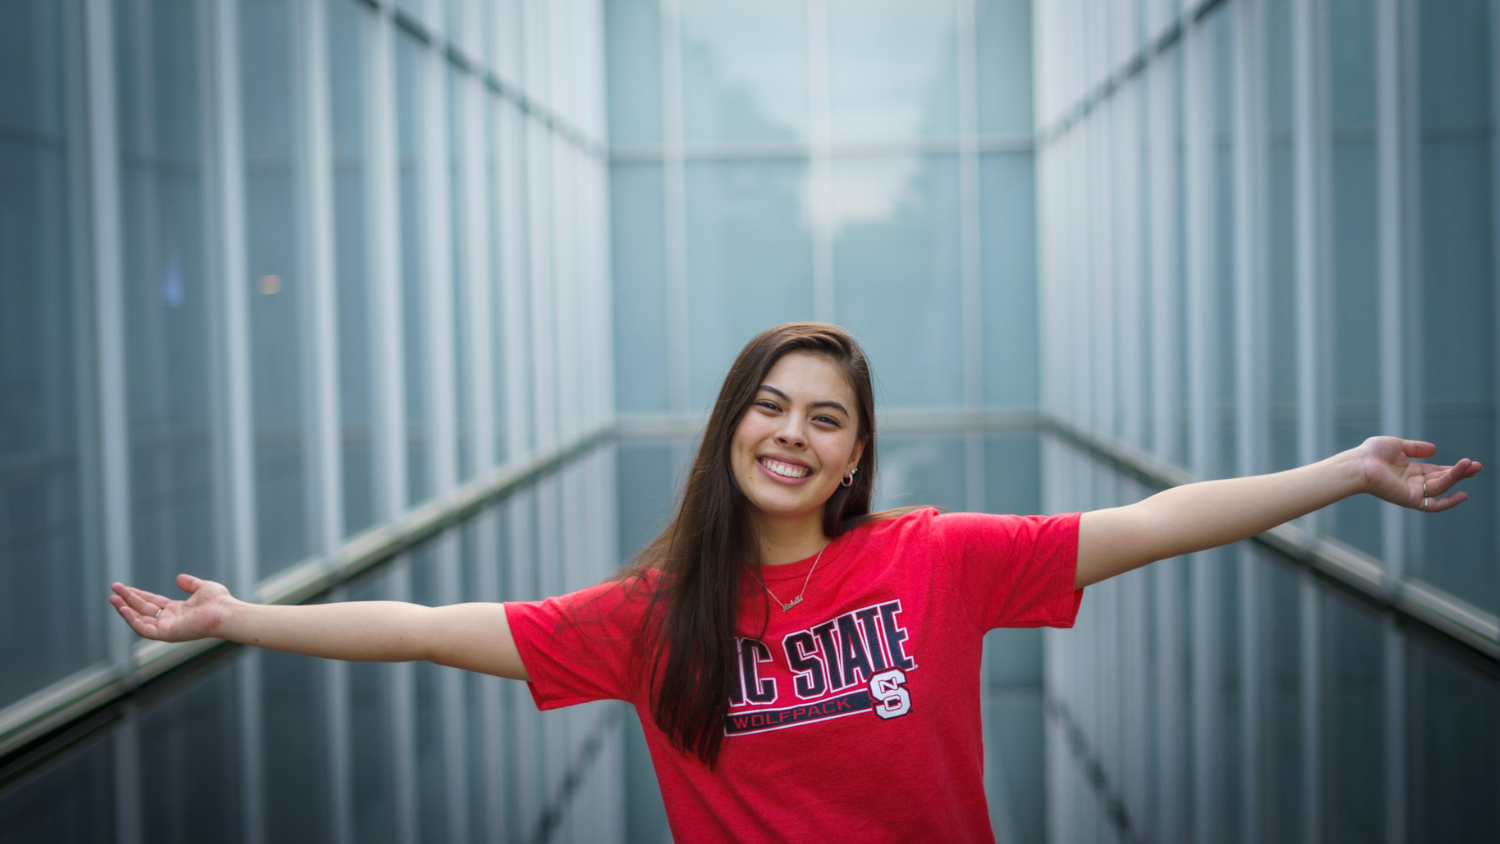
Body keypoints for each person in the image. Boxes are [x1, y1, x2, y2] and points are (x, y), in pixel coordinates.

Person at [110, 322, 1480, 842]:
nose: (791, 433)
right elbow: (417, 628)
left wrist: (1345, 473)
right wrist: (238, 617)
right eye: (768, 407)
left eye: (824, 418)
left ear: (853, 457)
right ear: (730, 429)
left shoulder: (935, 560)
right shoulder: (651, 624)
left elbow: (1156, 520)